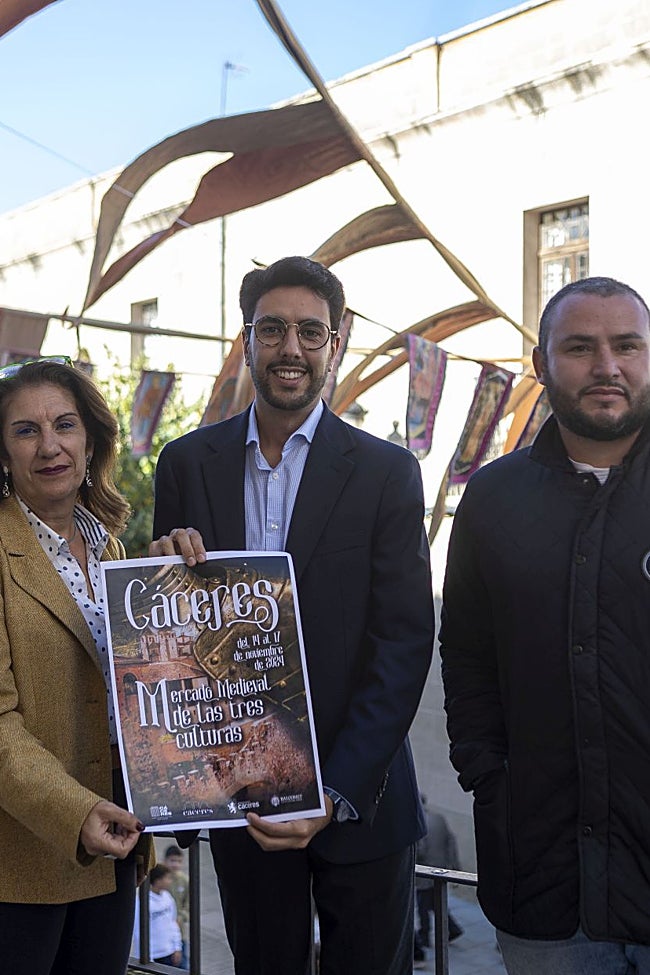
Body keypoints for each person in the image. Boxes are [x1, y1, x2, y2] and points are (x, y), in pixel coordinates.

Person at [150, 256, 435, 975]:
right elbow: (175, 644)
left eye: (312, 332)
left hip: (362, 799)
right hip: (244, 798)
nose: (291, 349)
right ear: (246, 339)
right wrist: (161, 578)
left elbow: (403, 640)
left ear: (335, 344)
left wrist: (334, 791)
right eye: (272, 329)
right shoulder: (185, 463)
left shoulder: (386, 471)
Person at [440, 276, 650, 974]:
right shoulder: (493, 500)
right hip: (542, 886)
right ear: (541, 365)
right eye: (581, 347)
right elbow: (465, 654)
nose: (607, 366)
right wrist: (487, 776)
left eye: (627, 346)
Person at [0, 356, 153, 975]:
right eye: (25, 430)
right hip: (21, 866)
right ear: (3, 453)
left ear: (91, 441)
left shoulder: (114, 550)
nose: (49, 446)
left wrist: (178, 590)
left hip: (114, 849)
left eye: (64, 424)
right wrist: (76, 812)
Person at [414, 793, 463, 964]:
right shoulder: (438, 818)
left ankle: (424, 936)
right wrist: (455, 866)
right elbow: (451, 841)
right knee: (436, 903)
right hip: (441, 869)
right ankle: (453, 929)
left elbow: (420, 850)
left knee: (423, 906)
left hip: (425, 874)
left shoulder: (419, 822)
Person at [132, 863, 183, 967]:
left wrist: (177, 947)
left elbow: (173, 923)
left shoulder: (167, 897)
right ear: (158, 880)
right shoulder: (142, 902)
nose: (170, 881)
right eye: (167, 878)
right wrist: (146, 956)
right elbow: (138, 931)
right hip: (153, 955)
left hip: (169, 952)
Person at [164, 844, 190, 970]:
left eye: (178, 861)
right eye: (172, 860)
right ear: (165, 861)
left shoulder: (184, 881)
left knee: (182, 964)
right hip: (163, 929)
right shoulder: (159, 878)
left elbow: (189, 904)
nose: (175, 864)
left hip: (179, 930)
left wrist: (181, 917)